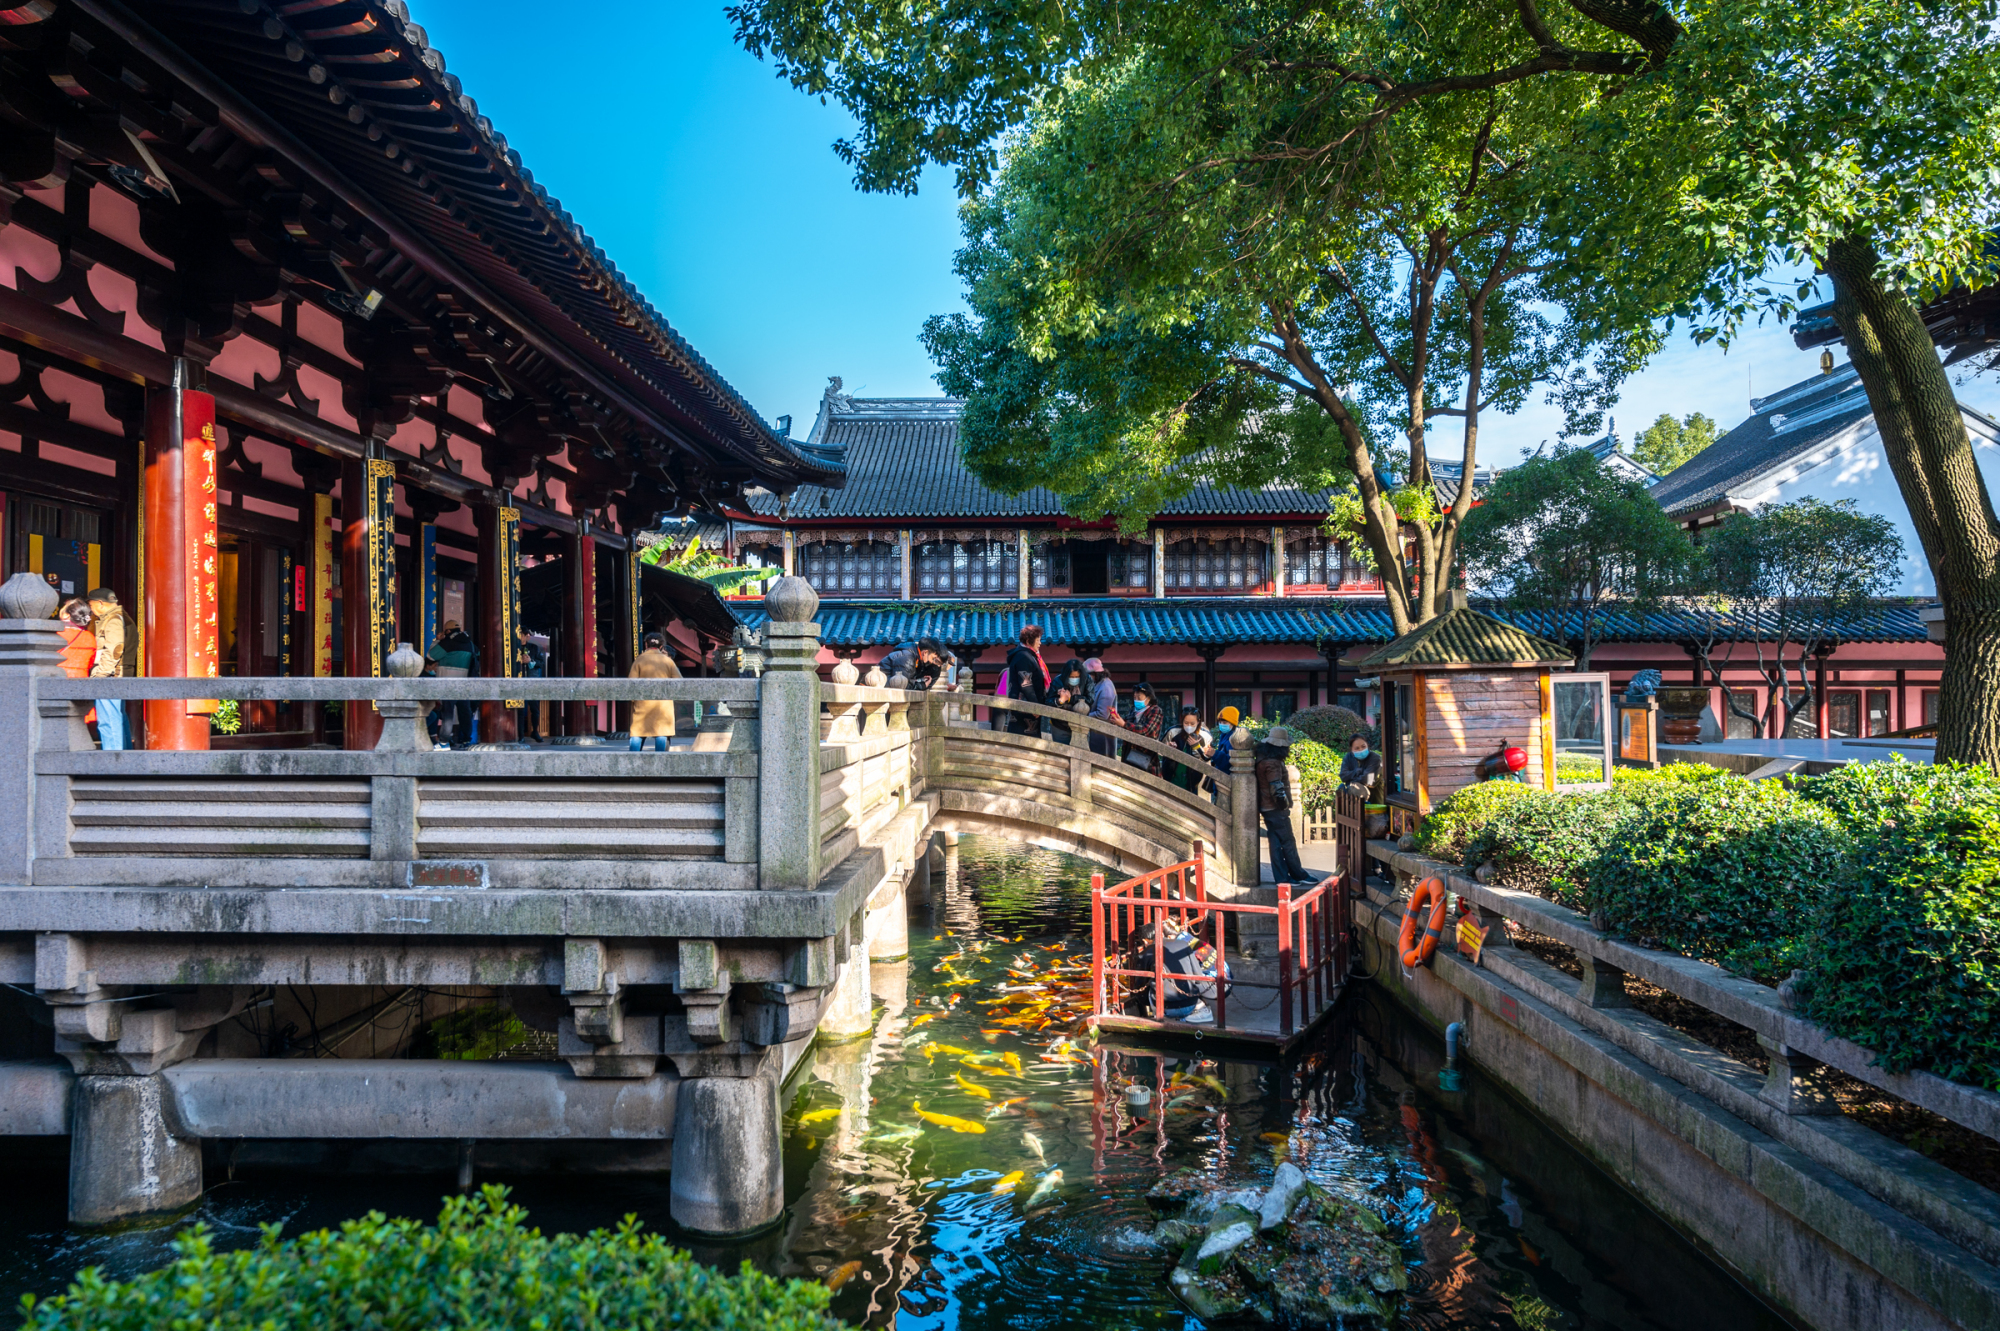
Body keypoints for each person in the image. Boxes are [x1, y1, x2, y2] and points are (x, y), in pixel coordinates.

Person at [1256, 725, 1313, 885]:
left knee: (1275, 842)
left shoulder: (1262, 759)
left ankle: (1282, 878)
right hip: (1275, 808)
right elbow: (1276, 788)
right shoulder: (1273, 763)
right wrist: (1284, 806)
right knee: (1288, 842)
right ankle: (1298, 874)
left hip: (1266, 806)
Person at [85, 589, 128, 750]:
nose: (91, 610)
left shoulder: (113, 621)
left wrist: (101, 674)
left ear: (100, 603)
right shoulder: (117, 618)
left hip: (108, 677)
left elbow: (114, 650)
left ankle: (114, 758)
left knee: (108, 720)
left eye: (91, 605)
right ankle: (122, 755)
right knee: (117, 718)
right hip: (114, 676)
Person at [427, 620, 479, 749]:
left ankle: (445, 741)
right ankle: (466, 740)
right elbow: (477, 654)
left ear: (448, 631)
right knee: (465, 712)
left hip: (447, 683)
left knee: (448, 713)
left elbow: (430, 656)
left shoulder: (446, 643)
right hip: (463, 683)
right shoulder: (469, 643)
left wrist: (437, 641)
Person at [628, 631, 682, 752]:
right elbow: (679, 682)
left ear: (646, 645)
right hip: (663, 705)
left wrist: (634, 701)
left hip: (642, 704)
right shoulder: (668, 661)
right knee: (661, 732)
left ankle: (632, 760)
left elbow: (631, 684)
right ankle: (660, 762)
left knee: (638, 732)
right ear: (661, 646)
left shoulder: (639, 660)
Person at [1002, 625, 1049, 735]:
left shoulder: (1028, 655)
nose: (1040, 643)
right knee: (1024, 739)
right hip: (1025, 707)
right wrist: (1035, 705)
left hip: (1027, 705)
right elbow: (1026, 684)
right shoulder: (1023, 657)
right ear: (1028, 641)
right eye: (1037, 640)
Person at [1166, 707, 1214, 792]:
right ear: (1182, 721)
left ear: (1198, 722)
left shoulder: (1205, 736)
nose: (1189, 726)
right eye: (1186, 723)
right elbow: (1160, 751)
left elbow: (1207, 758)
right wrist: (1168, 747)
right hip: (1173, 776)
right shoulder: (1172, 732)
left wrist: (1197, 747)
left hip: (1193, 780)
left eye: (1192, 723)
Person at [514, 625, 548, 740]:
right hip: (518, 682)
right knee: (520, 709)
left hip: (532, 681)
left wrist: (530, 661)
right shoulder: (514, 647)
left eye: (527, 634)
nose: (527, 636)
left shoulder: (534, 648)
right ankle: (520, 735)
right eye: (524, 634)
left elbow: (541, 663)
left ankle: (535, 731)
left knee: (534, 708)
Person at [1084, 657, 1122, 757]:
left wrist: (1083, 715)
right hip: (1095, 731)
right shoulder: (1098, 684)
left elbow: (1102, 714)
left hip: (1103, 733)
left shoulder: (1106, 687)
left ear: (1094, 674)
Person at [1045, 657, 1088, 745]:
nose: (1074, 679)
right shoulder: (1058, 682)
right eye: (1071, 677)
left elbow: (1090, 700)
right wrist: (1060, 700)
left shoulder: (1087, 681)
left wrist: (1070, 698)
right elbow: (1048, 702)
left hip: (1081, 725)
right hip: (1060, 725)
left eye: (1077, 677)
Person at [1125, 681, 1165, 771]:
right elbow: (1126, 723)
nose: (1136, 700)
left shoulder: (1156, 710)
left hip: (1147, 758)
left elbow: (1146, 730)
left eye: (1139, 697)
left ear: (1148, 698)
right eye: (1135, 697)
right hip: (1130, 754)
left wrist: (1124, 724)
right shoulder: (1133, 710)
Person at [1340, 733, 1382, 801]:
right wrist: (1356, 771)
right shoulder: (1348, 757)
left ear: (1367, 745)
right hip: (1353, 800)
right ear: (1351, 750)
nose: (1361, 750)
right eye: (1357, 748)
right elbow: (1343, 776)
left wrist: (1351, 780)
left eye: (1363, 746)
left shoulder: (1375, 758)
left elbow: (1368, 780)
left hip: (1375, 800)